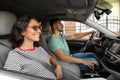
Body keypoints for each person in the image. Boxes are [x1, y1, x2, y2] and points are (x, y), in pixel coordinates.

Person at [4, 15, 63, 80]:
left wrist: (58, 65)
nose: (40, 31)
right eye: (34, 28)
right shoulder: (15, 55)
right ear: (22, 31)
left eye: (39, 27)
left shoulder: (39, 48)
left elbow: (50, 57)